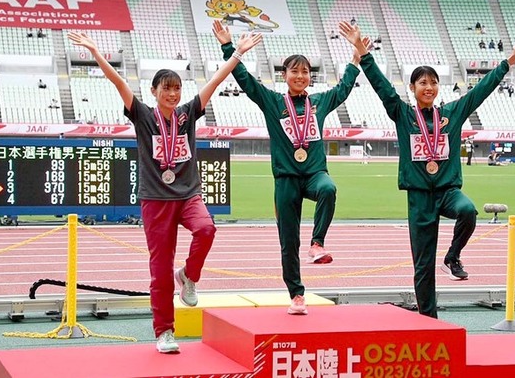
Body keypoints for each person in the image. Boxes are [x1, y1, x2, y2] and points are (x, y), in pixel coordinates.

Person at [67, 22, 262, 354]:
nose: (172, 94)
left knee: (206, 229)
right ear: (154, 91)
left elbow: (215, 81)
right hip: (155, 201)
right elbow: (118, 82)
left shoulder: (188, 115)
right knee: (159, 270)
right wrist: (95, 52)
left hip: (187, 194)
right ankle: (164, 332)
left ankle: (188, 274)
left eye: (176, 88)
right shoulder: (142, 115)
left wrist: (237, 53)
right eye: (166, 88)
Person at [340, 20, 515, 318]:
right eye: (422, 83)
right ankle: (429, 318)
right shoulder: (402, 114)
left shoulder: (451, 113)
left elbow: (480, 92)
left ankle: (452, 257)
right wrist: (362, 52)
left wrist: (507, 64)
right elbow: (382, 87)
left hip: (448, 191)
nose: (429, 87)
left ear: (438, 87)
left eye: (433, 82)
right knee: (423, 265)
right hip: (419, 198)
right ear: (412, 88)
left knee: (468, 211)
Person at [217, 21, 361, 316]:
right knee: (288, 241)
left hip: (314, 174)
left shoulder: (319, 102)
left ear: (310, 76)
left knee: (329, 189)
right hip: (285, 180)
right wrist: (230, 48)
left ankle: (318, 243)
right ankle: (296, 294)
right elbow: (245, 80)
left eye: (305, 71)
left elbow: (344, 88)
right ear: (285, 75)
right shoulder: (273, 101)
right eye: (294, 71)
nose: (300, 75)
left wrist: (356, 57)